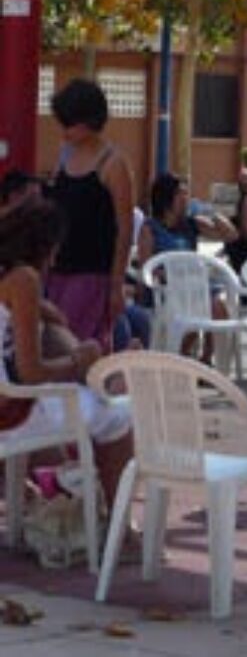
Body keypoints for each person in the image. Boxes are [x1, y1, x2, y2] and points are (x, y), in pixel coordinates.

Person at [0, 198, 133, 511]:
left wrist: (46, 314)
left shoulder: (10, 279)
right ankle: (120, 527)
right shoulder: (24, 280)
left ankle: (100, 378)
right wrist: (77, 360)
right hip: (9, 416)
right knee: (117, 419)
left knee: (53, 335)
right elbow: (31, 372)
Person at [45, 78, 135, 351]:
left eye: (70, 123)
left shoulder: (114, 164)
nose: (64, 130)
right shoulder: (64, 157)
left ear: (88, 120)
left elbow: (124, 228)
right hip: (58, 270)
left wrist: (117, 283)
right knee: (52, 343)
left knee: (79, 347)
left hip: (92, 273)